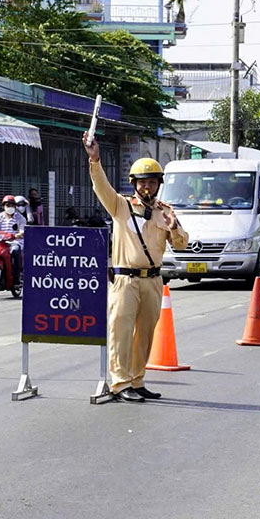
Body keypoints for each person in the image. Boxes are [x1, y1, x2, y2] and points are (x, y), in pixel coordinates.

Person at [83, 133, 189, 402]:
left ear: (158, 185)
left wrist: (174, 225)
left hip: (153, 281)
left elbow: (182, 245)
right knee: (121, 331)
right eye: (142, 182)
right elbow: (101, 186)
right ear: (134, 184)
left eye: (152, 182)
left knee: (145, 334)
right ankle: (120, 383)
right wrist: (94, 159)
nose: (147, 187)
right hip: (125, 280)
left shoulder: (165, 211)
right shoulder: (120, 206)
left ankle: (137, 380)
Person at [0, 195, 26, 282]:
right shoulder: (0, 217)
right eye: (7, 205)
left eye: (12, 205)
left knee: (15, 251)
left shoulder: (20, 218)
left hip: (15, 242)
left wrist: (16, 236)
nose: (10, 207)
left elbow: (23, 231)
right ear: (3, 207)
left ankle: (16, 277)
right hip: (1, 242)